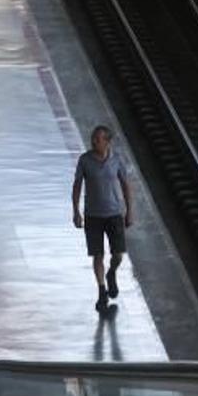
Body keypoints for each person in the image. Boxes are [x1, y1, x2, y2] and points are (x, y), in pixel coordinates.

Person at [72, 125, 135, 313]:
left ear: (107, 142)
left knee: (118, 254)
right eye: (93, 138)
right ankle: (101, 290)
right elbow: (77, 185)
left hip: (114, 213)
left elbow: (125, 185)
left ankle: (111, 273)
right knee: (97, 254)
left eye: (98, 139)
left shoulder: (116, 160)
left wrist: (129, 210)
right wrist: (76, 211)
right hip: (93, 215)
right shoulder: (84, 160)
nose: (94, 142)